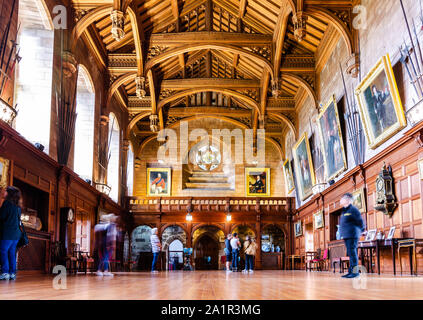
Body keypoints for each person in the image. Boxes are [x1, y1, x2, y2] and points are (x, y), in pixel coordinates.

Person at [339, 193, 365, 278]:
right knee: (350, 254)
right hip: (347, 235)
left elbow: (360, 221)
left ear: (348, 200)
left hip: (352, 235)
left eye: (342, 198)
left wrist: (362, 230)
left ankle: (355, 272)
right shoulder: (344, 210)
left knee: (353, 253)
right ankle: (351, 272)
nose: (341, 200)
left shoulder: (353, 209)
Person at [0, 186, 23, 280]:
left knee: (2, 251)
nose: (2, 192)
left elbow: (1, 217)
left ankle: (5, 272)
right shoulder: (18, 206)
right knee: (11, 252)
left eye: (5, 191)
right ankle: (12, 273)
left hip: (8, 233)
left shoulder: (7, 203)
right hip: (16, 234)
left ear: (9, 193)